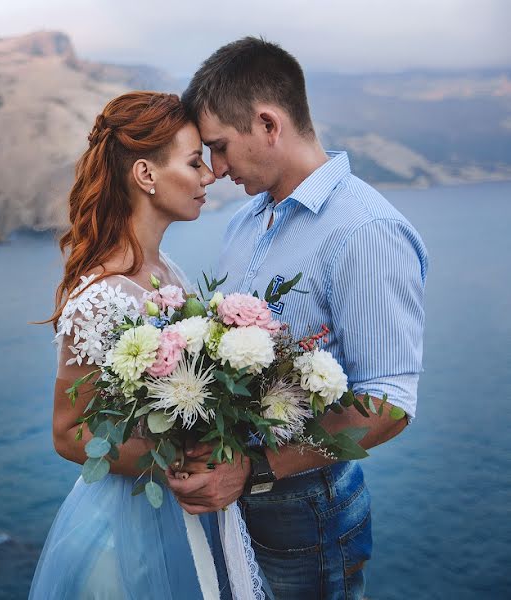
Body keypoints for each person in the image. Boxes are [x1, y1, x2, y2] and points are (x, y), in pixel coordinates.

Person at [167, 37, 428, 600]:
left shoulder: (365, 232)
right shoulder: (243, 222)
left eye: (220, 147)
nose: (214, 170)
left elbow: (388, 403)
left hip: (309, 512)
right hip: (238, 502)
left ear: (267, 124)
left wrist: (256, 469)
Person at [29, 92, 267, 599]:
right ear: (146, 174)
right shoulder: (100, 297)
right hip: (132, 523)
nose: (209, 177)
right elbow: (69, 433)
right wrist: (176, 462)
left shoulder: (167, 272)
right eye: (194, 162)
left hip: (189, 513)